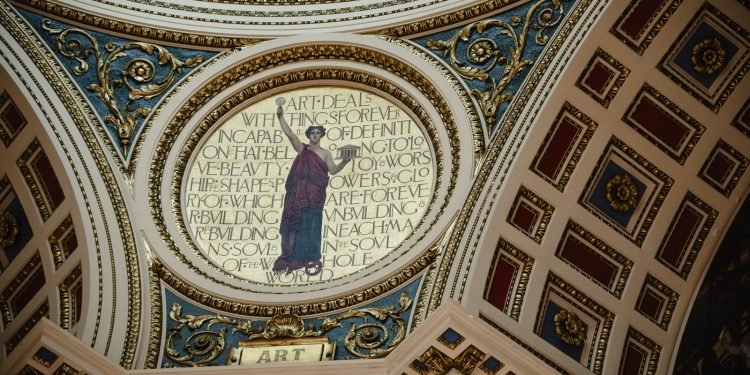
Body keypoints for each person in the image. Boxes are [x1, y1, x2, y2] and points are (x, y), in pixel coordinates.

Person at [273, 106, 352, 276]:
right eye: (312, 133)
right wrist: (281, 118)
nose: (315, 135)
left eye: (318, 133)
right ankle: (296, 255)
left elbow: (333, 170)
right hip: (299, 194)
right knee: (299, 223)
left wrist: (345, 162)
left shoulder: (325, 153)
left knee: (313, 224)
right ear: (309, 135)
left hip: (316, 195)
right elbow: (290, 135)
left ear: (321, 135)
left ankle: (312, 256)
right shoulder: (303, 150)